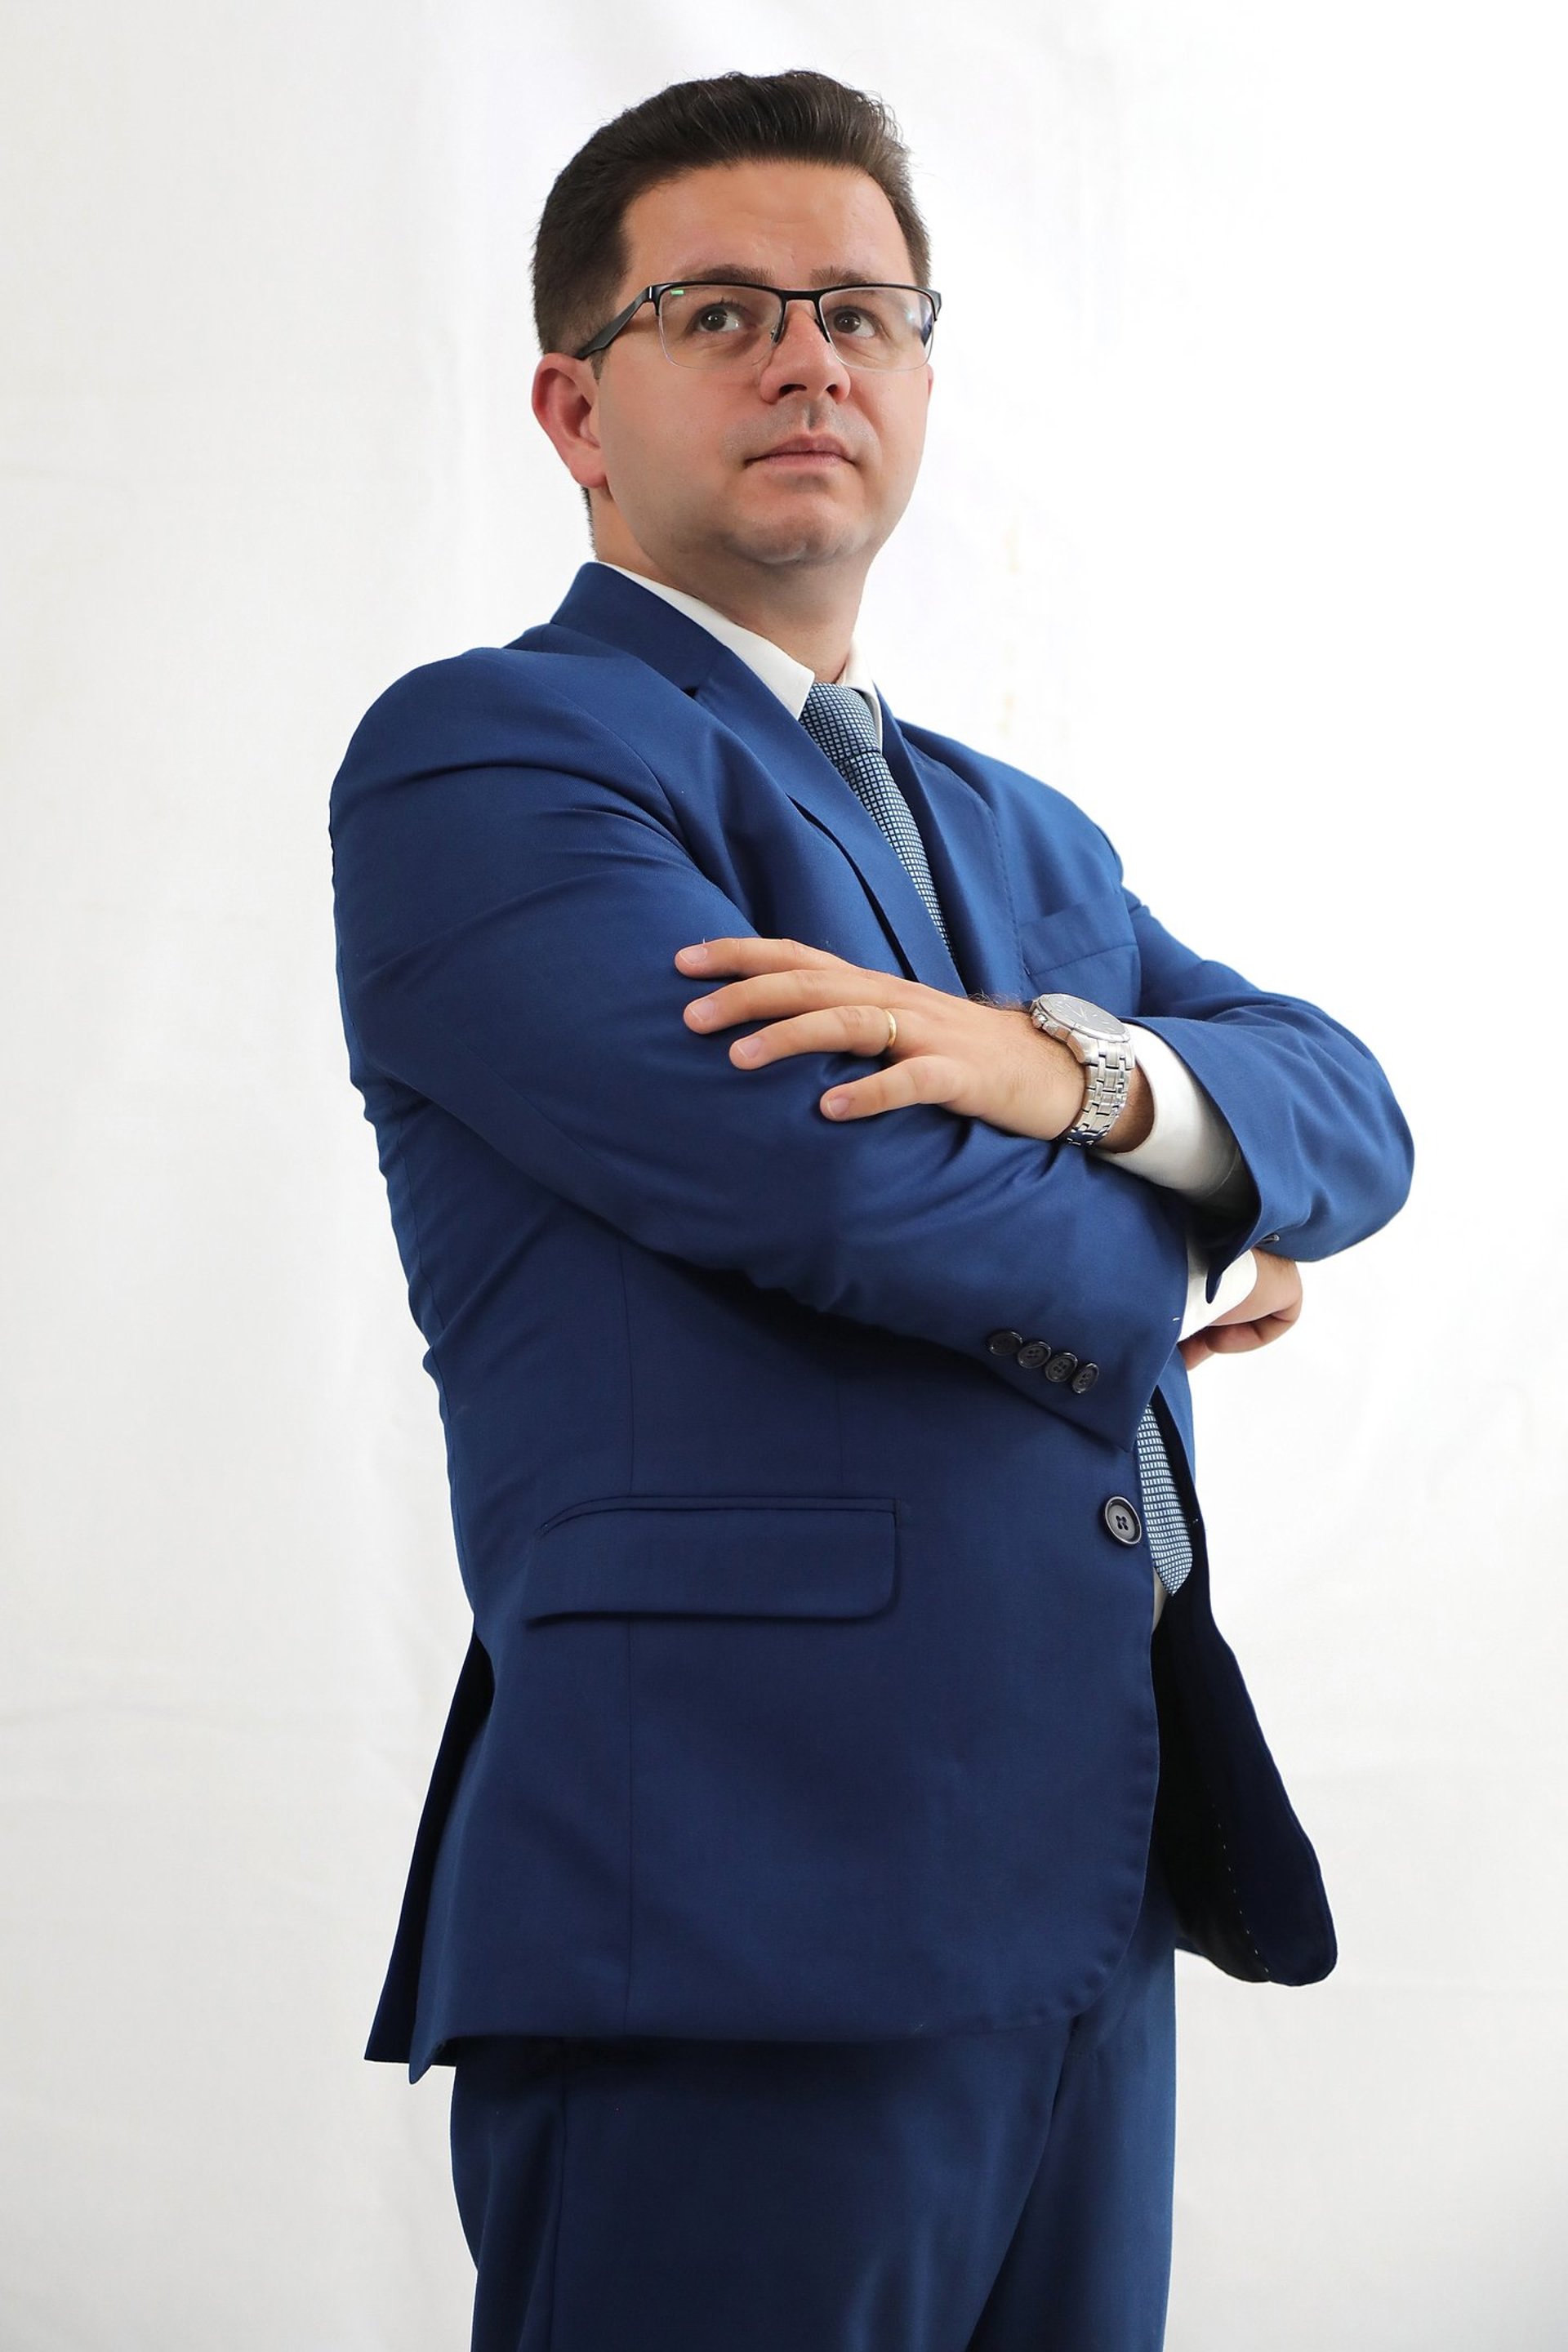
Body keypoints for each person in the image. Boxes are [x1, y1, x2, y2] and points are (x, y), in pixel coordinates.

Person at [329, 68, 1413, 2352]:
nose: (809, 356)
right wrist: (1192, 1203)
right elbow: (824, 1182)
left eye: (863, 310)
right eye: (719, 308)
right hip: (734, 1905)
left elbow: (1352, 1108)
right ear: (576, 407)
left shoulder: (1032, 840)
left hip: (1089, 1890)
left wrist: (1076, 1071)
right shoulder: (490, 760)